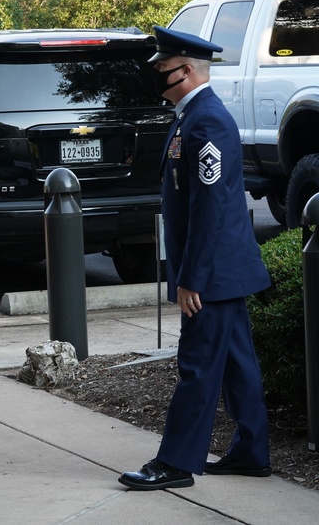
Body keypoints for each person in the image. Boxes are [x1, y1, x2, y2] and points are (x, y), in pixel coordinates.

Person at [118, 26, 272, 491]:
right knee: (236, 363)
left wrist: (192, 278)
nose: (156, 75)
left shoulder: (206, 122)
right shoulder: (192, 116)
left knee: (198, 365)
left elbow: (210, 209)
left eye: (162, 68)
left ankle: (176, 463)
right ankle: (251, 451)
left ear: (184, 71)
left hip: (213, 274)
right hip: (220, 271)